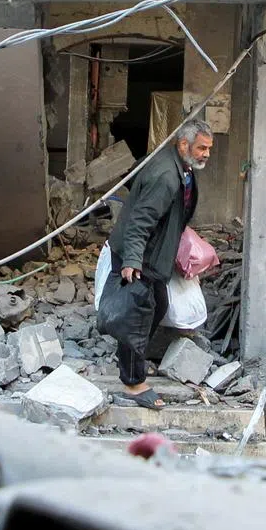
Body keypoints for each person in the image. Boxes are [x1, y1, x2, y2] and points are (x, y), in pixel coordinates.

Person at [104, 119, 213, 407]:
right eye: (201, 148)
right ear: (183, 144)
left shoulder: (180, 166)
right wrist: (131, 261)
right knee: (136, 314)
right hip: (140, 255)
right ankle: (133, 383)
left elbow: (171, 213)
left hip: (153, 252)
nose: (206, 154)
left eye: (208, 149)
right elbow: (140, 222)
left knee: (158, 306)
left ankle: (132, 359)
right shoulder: (166, 175)